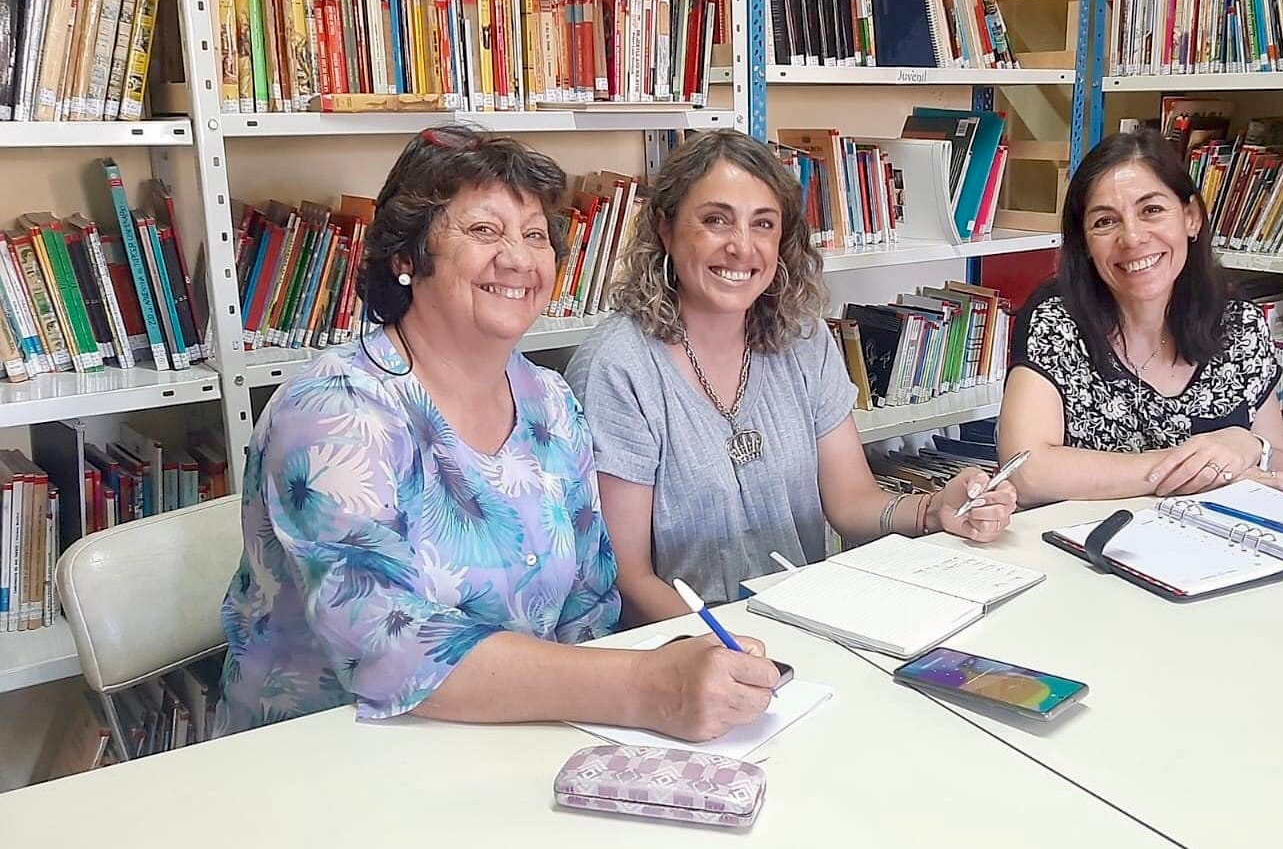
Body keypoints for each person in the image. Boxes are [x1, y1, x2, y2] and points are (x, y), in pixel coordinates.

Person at [215, 126, 778, 742]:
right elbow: (389, 648)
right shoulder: (332, 412)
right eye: (484, 231)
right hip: (332, 754)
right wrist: (645, 687)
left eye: (535, 236)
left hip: (523, 736)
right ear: (406, 257)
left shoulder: (552, 404)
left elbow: (590, 604)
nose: (518, 259)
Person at [566, 130, 1018, 626]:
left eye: (763, 224)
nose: (742, 247)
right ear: (665, 228)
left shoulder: (803, 339)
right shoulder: (618, 367)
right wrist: (732, 648)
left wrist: (933, 509)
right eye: (716, 220)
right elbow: (629, 579)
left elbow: (852, 503)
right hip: (684, 646)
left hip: (799, 625)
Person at [997, 128, 1283, 504]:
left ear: (1191, 218)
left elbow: (1279, 460)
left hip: (1207, 534)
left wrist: (1248, 445)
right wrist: (1190, 469)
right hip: (1089, 536)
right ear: (1085, 243)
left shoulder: (1238, 323)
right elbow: (1027, 470)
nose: (1132, 237)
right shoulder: (1056, 320)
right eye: (1105, 221)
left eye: (1152, 210)